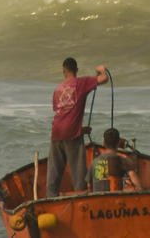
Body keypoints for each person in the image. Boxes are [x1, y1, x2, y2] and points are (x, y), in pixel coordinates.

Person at [46, 57, 108, 197]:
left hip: (56, 133)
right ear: (77, 70)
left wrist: (82, 130)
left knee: (54, 172)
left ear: (63, 71)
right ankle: (80, 198)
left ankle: (50, 198)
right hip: (72, 135)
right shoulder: (81, 83)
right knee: (78, 173)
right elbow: (104, 79)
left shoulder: (57, 89)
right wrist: (101, 69)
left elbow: (62, 112)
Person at [91, 128, 141, 192]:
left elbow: (90, 184)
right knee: (131, 173)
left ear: (103, 143)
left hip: (99, 196)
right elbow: (133, 168)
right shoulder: (121, 159)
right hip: (115, 195)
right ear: (118, 143)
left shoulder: (96, 161)